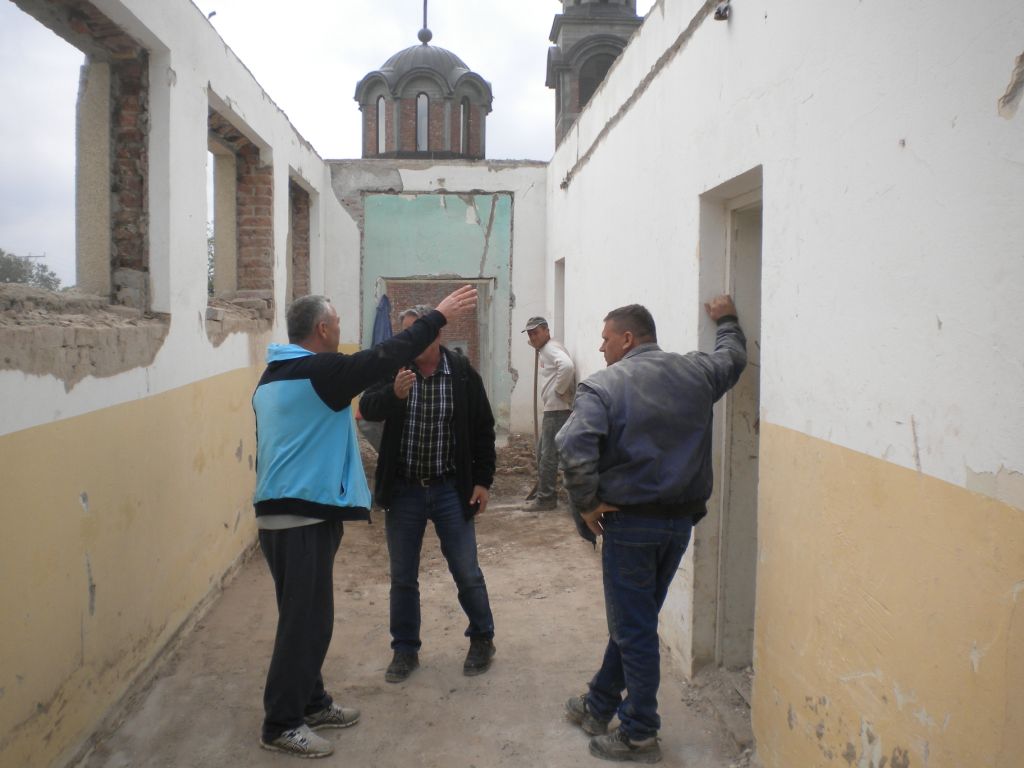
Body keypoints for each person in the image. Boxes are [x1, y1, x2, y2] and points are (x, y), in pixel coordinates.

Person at [252, 285, 477, 758]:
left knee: (312, 619)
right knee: (303, 624)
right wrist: (437, 317)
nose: (340, 330)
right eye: (336, 323)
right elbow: (382, 357)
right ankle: (281, 723)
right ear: (323, 329)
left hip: (297, 513)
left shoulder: (280, 373)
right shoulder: (317, 371)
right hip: (298, 516)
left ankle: (312, 702)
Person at [556, 296, 746, 764]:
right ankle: (599, 704)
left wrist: (586, 504)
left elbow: (574, 446)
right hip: (678, 524)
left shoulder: (603, 386)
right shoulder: (697, 371)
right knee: (635, 621)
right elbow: (733, 358)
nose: (600, 348)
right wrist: (726, 319)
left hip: (630, 524)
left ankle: (640, 732)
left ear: (627, 338)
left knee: (634, 627)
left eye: (605, 338)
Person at [359, 305, 497, 684]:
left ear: (436, 334)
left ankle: (482, 639)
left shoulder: (462, 374)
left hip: (450, 489)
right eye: (406, 334)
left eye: (417, 333)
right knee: (403, 576)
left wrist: (483, 481)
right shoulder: (394, 370)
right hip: (404, 490)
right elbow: (366, 407)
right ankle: (405, 649)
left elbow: (483, 429)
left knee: (466, 570)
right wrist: (393, 394)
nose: (411, 341)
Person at [522, 316, 576, 511]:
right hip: (554, 410)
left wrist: (559, 391)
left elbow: (567, 366)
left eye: (536, 333)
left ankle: (546, 498)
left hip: (557, 410)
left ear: (546, 330)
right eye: (530, 334)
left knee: (548, 456)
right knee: (543, 453)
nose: (533, 337)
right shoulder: (546, 348)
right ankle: (545, 491)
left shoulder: (550, 348)